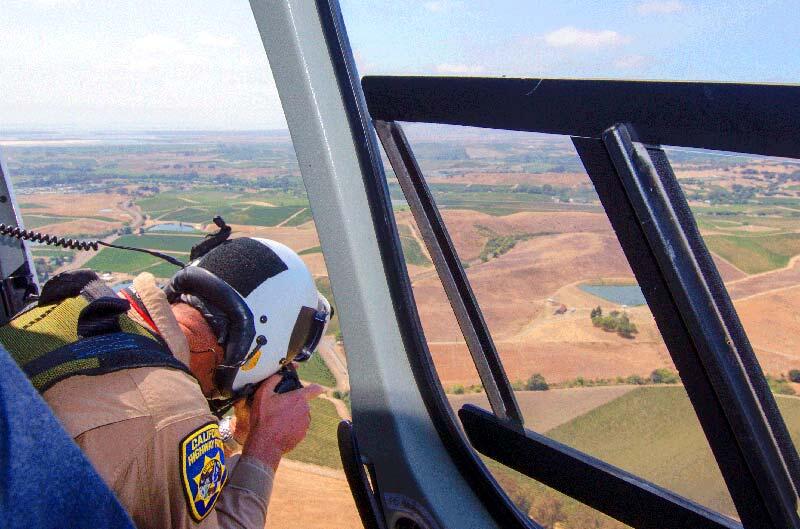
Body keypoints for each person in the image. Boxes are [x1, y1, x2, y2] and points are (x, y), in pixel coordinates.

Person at [0, 235, 331, 529]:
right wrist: (267, 445)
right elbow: (155, 423)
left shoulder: (93, 313)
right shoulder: (167, 409)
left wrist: (232, 435)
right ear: (260, 344)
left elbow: (136, 451)